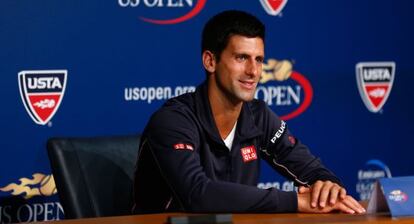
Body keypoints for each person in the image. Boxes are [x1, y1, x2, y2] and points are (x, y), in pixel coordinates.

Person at [133, 10, 365, 214]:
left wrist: (328, 186)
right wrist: (295, 201)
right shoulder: (174, 120)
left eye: (259, 60)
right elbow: (198, 194)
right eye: (241, 57)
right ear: (210, 61)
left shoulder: (258, 116)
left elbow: (310, 168)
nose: (253, 71)